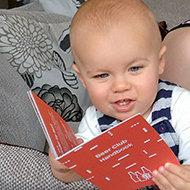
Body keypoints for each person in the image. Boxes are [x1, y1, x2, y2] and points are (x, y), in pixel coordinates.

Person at [49, 0, 190, 189]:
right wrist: (63, 168)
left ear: (160, 62)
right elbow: (82, 172)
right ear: (82, 78)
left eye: (134, 68)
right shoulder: (94, 122)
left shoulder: (179, 104)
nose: (120, 86)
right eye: (103, 75)